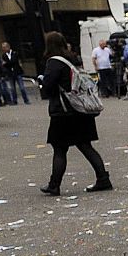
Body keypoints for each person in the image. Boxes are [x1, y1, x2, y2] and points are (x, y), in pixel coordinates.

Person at [39, 31, 111, 196]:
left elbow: (49, 88)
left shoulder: (53, 62)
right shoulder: (71, 59)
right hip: (80, 109)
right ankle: (103, 178)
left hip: (63, 112)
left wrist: (42, 83)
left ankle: (54, 184)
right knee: (85, 146)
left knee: (59, 149)